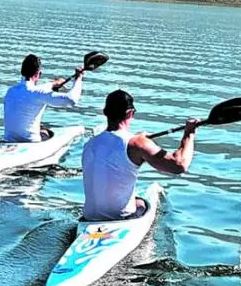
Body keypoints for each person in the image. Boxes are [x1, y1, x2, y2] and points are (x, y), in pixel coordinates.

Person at [82, 89, 200, 221]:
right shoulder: (137, 143)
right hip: (120, 219)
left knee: (133, 199)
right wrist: (189, 134)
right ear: (130, 113)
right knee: (142, 205)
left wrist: (141, 141)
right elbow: (179, 165)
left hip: (89, 218)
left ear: (105, 112)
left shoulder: (90, 144)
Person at [3, 54, 85, 142]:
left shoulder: (10, 91)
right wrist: (78, 79)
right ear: (38, 73)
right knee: (46, 132)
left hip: (8, 141)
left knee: (40, 127)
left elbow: (32, 90)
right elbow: (71, 100)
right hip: (31, 142)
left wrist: (54, 84)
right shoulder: (38, 93)